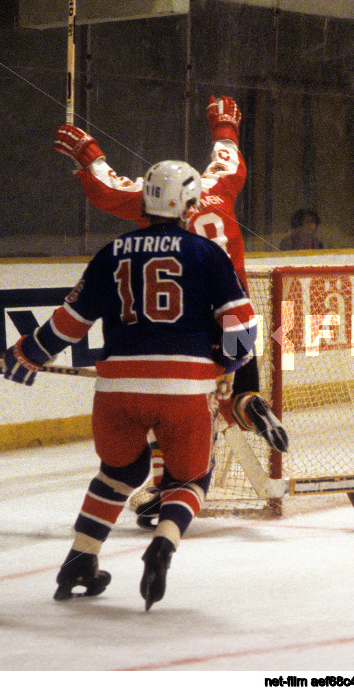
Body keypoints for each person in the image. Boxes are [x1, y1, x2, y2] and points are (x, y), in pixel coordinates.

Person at [1, 160, 259, 608]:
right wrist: (225, 366)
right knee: (190, 477)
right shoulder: (206, 254)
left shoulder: (112, 251)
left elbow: (69, 323)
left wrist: (29, 354)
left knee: (119, 472)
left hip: (117, 389)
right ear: (191, 204)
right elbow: (242, 327)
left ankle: (81, 559)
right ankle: (163, 543)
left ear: (145, 200)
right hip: (184, 388)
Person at [53, 96, 287, 527]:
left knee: (178, 408)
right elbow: (229, 160)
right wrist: (223, 124)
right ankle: (248, 399)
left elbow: (107, 188)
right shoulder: (218, 188)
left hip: (182, 326)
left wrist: (89, 155)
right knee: (220, 394)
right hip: (237, 316)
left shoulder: (148, 201)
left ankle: (167, 489)